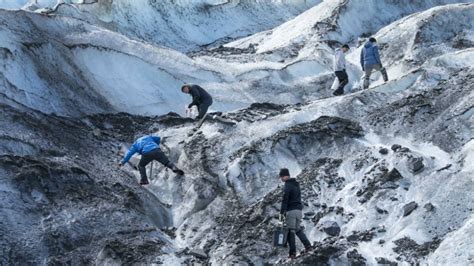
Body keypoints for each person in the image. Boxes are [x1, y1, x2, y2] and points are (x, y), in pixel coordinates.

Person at [119, 135, 184, 185]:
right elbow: (158, 138)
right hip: (157, 149)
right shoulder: (147, 137)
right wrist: (156, 145)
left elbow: (129, 154)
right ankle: (174, 168)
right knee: (166, 162)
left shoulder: (135, 144)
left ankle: (144, 180)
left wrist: (123, 162)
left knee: (141, 165)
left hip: (147, 153)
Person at [278, 168, 312, 259]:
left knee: (290, 232)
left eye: (281, 176)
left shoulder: (287, 186)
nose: (281, 179)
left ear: (286, 176)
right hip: (298, 210)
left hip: (291, 211)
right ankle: (308, 246)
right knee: (297, 229)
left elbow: (285, 201)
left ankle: (292, 253)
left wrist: (281, 216)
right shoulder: (296, 184)